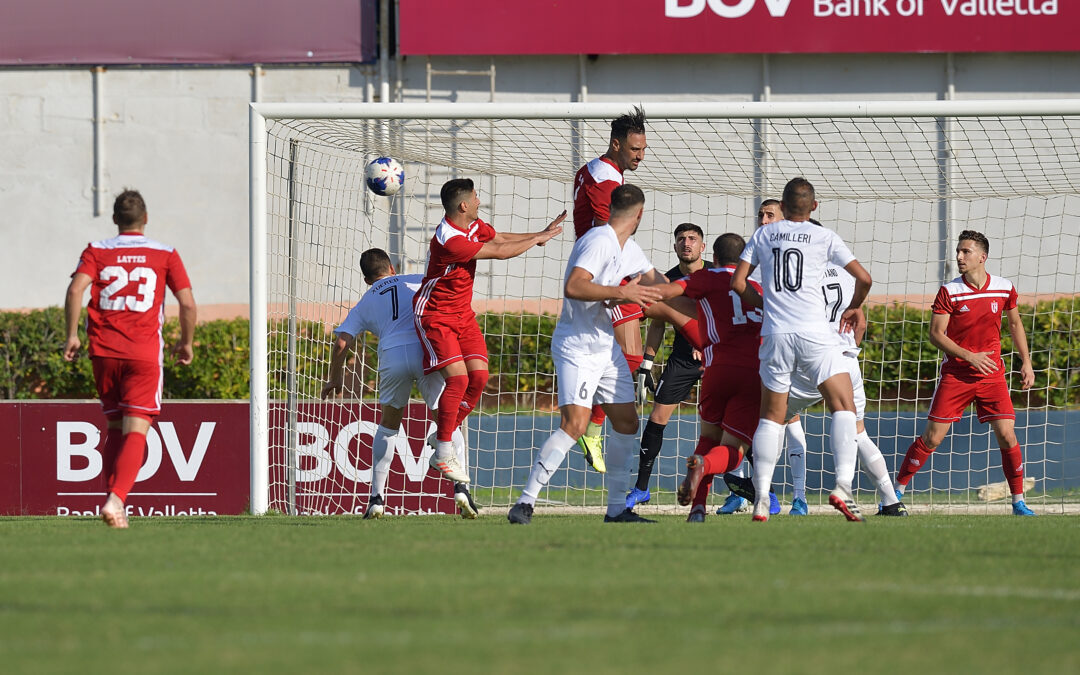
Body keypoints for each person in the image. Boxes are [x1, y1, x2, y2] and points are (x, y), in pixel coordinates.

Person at [723, 218, 909, 517]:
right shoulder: (843, 275)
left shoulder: (794, 274)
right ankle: (888, 499)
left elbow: (752, 292)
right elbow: (860, 320)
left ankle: (758, 491)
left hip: (805, 356)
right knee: (856, 429)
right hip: (845, 358)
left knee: (769, 420)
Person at [507, 184, 666, 524]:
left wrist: (701, 296)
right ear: (639, 214)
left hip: (605, 347)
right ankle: (525, 502)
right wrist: (620, 291)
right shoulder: (598, 240)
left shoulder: (630, 247)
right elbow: (574, 286)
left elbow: (659, 283)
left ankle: (616, 510)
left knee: (626, 422)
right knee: (575, 424)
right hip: (577, 346)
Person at [732, 177, 872, 522]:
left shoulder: (764, 235)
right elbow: (865, 278)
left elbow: (738, 283)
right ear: (814, 207)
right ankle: (843, 486)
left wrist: (765, 306)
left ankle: (762, 497)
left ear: (782, 205)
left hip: (776, 334)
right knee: (843, 405)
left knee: (771, 414)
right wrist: (854, 307)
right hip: (815, 335)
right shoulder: (825, 236)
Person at [416, 178, 565, 486]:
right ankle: (444, 450)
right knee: (458, 379)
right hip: (436, 316)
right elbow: (499, 253)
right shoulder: (449, 239)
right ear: (463, 206)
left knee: (480, 378)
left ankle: (442, 436)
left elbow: (499, 238)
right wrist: (537, 239)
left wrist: (540, 234)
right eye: (475, 197)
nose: (480, 200)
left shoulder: (471, 225)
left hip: (462, 314)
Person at [63, 189, 196, 529]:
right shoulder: (165, 253)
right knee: (138, 428)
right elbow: (188, 304)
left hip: (104, 352)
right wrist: (186, 343)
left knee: (114, 427)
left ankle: (114, 505)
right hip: (143, 353)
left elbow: (76, 289)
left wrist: (72, 334)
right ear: (146, 218)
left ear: (114, 219)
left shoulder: (96, 250)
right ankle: (116, 499)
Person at [321, 248, 478, 519]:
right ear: (392, 267)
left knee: (389, 427)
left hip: (392, 357)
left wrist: (335, 377)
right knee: (447, 420)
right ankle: (461, 488)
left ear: (367, 279)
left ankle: (376, 499)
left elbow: (341, 343)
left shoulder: (366, 300)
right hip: (425, 352)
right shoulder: (415, 279)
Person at [894, 230, 1036, 515]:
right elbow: (936, 334)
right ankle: (894, 492)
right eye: (958, 251)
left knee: (1008, 435)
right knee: (932, 438)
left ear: (982, 257)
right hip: (957, 376)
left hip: (992, 375)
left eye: (965, 252)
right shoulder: (950, 291)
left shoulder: (1004, 287)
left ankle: (1018, 501)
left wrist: (1026, 362)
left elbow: (1015, 325)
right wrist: (969, 356)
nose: (959, 256)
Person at [645, 233, 765, 522]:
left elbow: (667, 292)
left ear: (714, 255)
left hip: (716, 370)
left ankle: (698, 509)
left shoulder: (704, 279)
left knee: (708, 437)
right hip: (751, 372)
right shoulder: (758, 287)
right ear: (745, 259)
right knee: (734, 452)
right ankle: (706, 465)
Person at [571, 106, 648, 473]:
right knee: (629, 355)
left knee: (624, 355)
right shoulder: (604, 179)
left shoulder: (596, 170)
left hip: (606, 273)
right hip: (604, 277)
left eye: (643, 149)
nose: (640, 156)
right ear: (616, 144)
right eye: (635, 149)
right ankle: (592, 425)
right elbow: (607, 228)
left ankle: (590, 421)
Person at [717, 199, 807, 516]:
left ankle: (797, 496)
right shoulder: (757, 251)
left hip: (799, 346)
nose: (763, 220)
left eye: (770, 215)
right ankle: (746, 495)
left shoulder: (801, 249)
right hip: (765, 350)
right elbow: (737, 284)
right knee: (751, 422)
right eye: (761, 215)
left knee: (789, 418)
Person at [626, 222, 706, 509]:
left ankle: (744, 489)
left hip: (714, 357)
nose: (687, 243)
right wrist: (646, 363)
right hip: (683, 360)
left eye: (693, 239)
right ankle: (642, 488)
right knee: (657, 418)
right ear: (674, 247)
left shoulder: (713, 274)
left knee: (728, 422)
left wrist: (707, 344)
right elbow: (657, 323)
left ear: (702, 247)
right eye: (681, 239)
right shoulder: (666, 281)